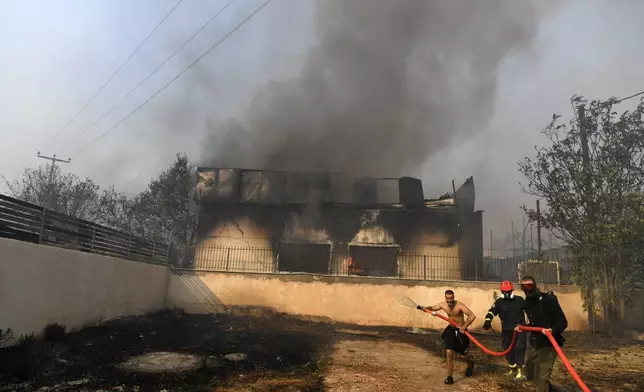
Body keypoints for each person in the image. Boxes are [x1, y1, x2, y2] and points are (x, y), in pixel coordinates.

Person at [518, 276, 568, 392]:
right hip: (534, 342)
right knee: (530, 373)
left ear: (534, 285)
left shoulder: (547, 299)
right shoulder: (528, 303)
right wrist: (524, 328)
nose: (526, 288)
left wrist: (552, 330)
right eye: (523, 286)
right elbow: (535, 324)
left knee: (541, 377)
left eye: (529, 285)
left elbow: (563, 322)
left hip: (549, 343)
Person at [418, 289, 476, 385]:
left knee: (463, 355)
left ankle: (470, 364)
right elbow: (433, 307)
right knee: (449, 352)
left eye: (451, 298)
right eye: (447, 298)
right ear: (445, 298)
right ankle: (450, 377)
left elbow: (472, 316)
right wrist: (425, 308)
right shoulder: (443, 305)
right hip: (451, 330)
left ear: (454, 297)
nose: (449, 300)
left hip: (461, 331)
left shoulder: (459, 305)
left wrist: (464, 327)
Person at [483, 280, 527, 380]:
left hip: (519, 329)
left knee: (519, 348)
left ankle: (521, 372)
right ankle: (513, 369)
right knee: (507, 349)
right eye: (504, 291)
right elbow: (491, 312)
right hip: (506, 330)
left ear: (512, 291)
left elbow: (529, 310)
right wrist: (487, 321)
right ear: (501, 292)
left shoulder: (519, 300)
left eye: (508, 291)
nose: (506, 294)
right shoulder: (499, 302)